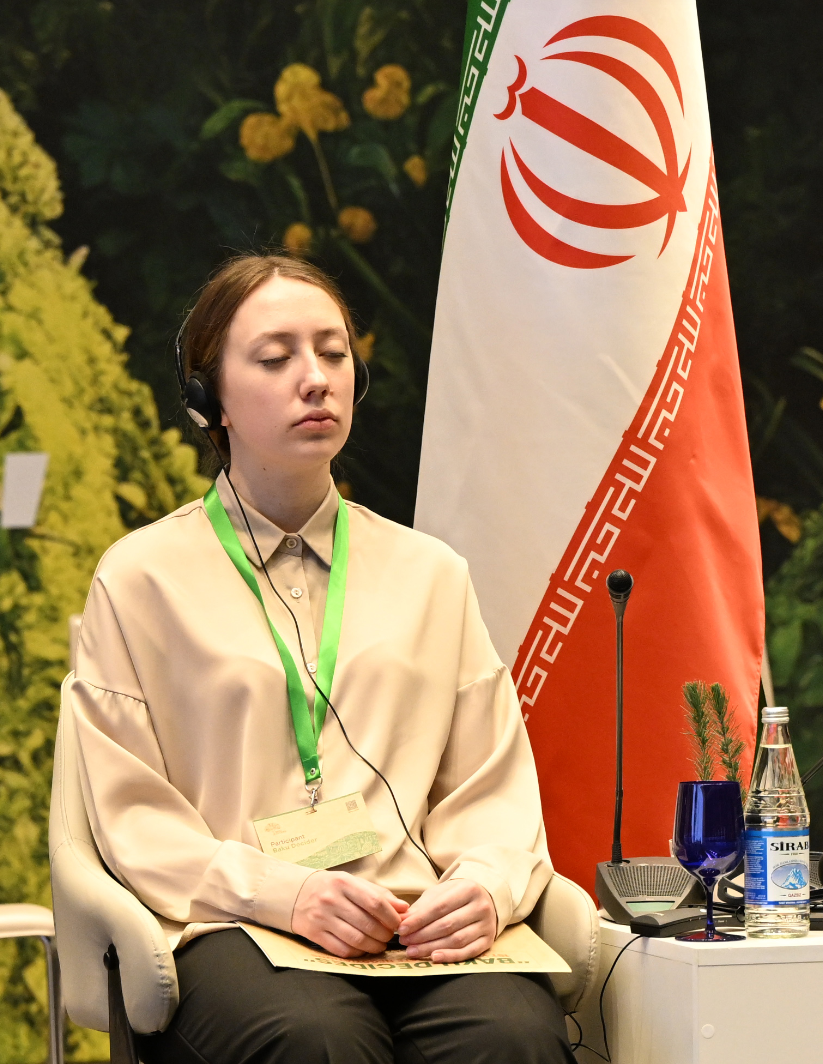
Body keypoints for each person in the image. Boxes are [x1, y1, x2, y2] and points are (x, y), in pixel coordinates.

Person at [66, 254, 573, 1063]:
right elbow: (131, 817)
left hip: (411, 915)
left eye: (334, 354)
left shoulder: (430, 574)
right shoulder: (139, 580)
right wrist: (282, 891)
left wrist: (486, 884)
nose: (316, 379)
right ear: (209, 402)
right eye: (275, 358)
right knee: (316, 1039)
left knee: (511, 1035)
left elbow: (490, 784)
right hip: (233, 924)